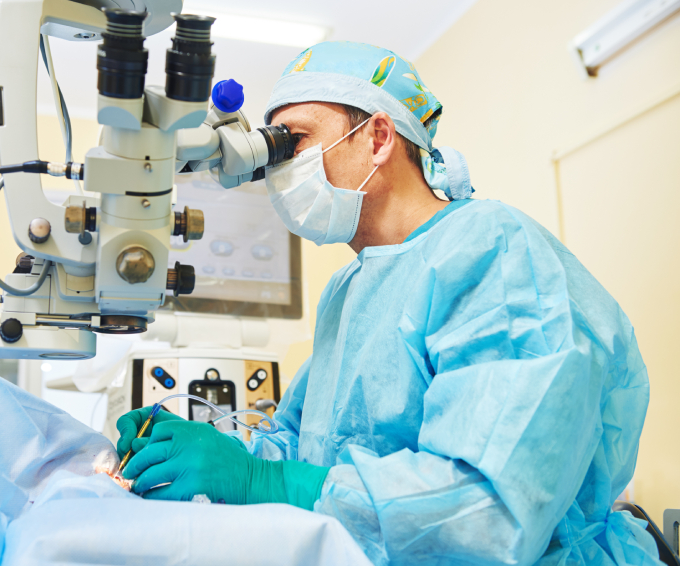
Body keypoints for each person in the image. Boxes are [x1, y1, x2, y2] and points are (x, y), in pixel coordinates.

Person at [116, 42, 659, 565]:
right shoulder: (348, 291)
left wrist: (264, 482)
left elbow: (489, 514)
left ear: (378, 137)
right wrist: (205, 452)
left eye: (294, 140)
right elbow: (307, 453)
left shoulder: (495, 253)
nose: (280, 169)